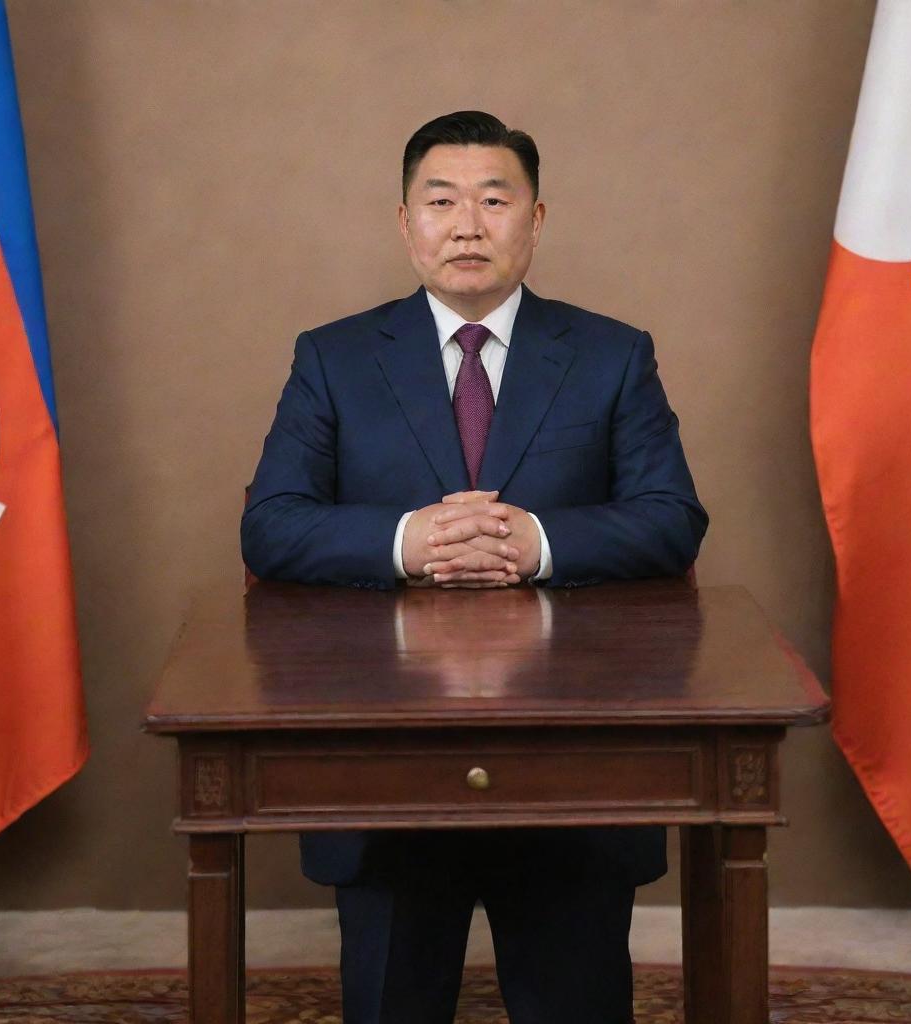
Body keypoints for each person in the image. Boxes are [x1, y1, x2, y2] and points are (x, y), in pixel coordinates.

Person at [242, 111, 707, 1024]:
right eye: (442, 201)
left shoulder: (613, 356)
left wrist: (535, 542)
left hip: (573, 746)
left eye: (495, 200)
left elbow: (671, 519)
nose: (467, 225)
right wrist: (405, 542)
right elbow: (271, 525)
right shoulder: (332, 359)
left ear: (536, 221)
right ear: (404, 222)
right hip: (386, 749)